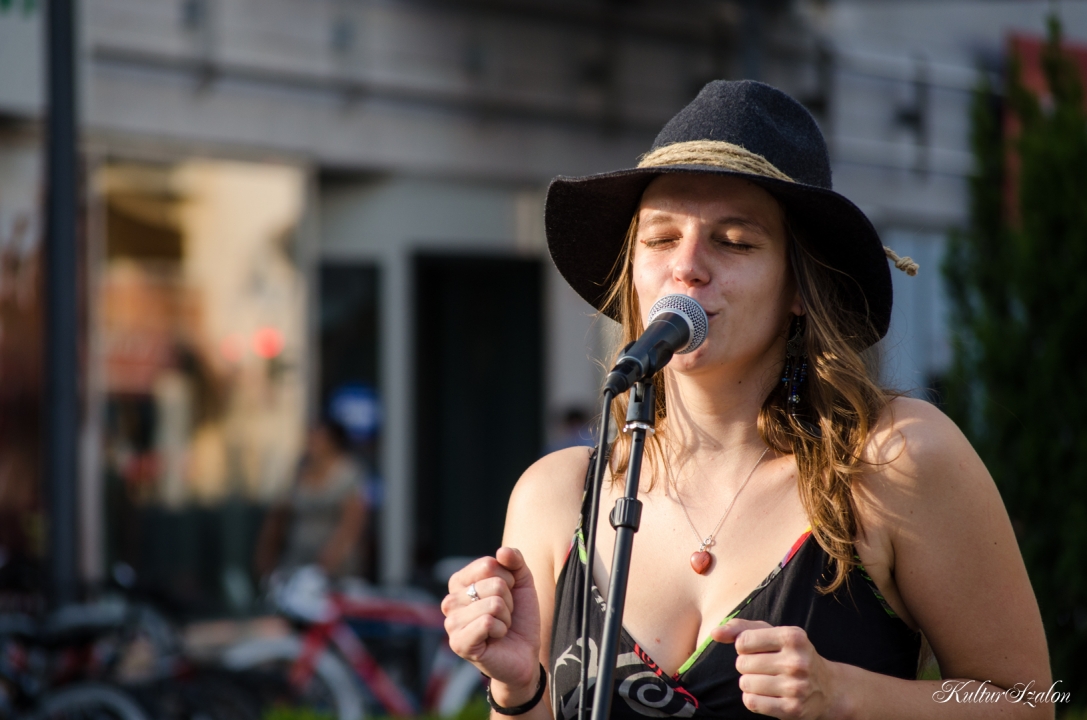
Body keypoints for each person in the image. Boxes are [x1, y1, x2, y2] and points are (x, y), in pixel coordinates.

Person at [440, 80, 1052, 719]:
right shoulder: (558, 496)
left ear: (800, 286)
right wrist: (517, 690)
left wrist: (844, 695)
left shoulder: (893, 459)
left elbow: (1030, 704)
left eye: (734, 241)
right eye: (660, 239)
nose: (687, 266)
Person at [254, 418, 368, 579]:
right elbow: (279, 515)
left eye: (318, 438)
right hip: (297, 556)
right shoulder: (298, 472)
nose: (311, 443)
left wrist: (333, 554)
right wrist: (266, 551)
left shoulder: (348, 473)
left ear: (332, 442)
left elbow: (353, 520)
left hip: (334, 563)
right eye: (310, 438)